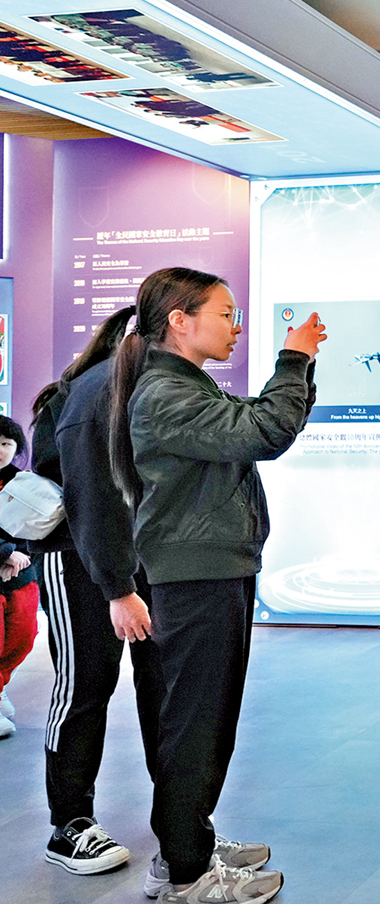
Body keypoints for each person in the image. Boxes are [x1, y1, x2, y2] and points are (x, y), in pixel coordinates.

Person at [108, 267, 324, 904]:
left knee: (203, 720)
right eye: (225, 314)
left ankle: (187, 844)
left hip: (211, 569)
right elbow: (265, 432)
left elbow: (261, 421)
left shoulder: (183, 385)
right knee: (196, 725)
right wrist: (294, 360)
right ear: (180, 320)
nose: (236, 327)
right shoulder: (164, 394)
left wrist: (301, 369)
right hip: (196, 576)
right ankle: (185, 872)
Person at [27, 306, 161, 875]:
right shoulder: (86, 393)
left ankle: (181, 823)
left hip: (138, 559)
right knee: (83, 687)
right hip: (76, 561)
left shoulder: (144, 388)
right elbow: (91, 499)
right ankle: (69, 825)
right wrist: (117, 586)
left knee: (162, 689)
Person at [0, 415, 40, 741]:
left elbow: (39, 525)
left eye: (6, 443)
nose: (0, 450)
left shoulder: (24, 482)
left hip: (21, 575)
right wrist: (4, 553)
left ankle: (0, 686)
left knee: (23, 637)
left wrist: (20, 556)